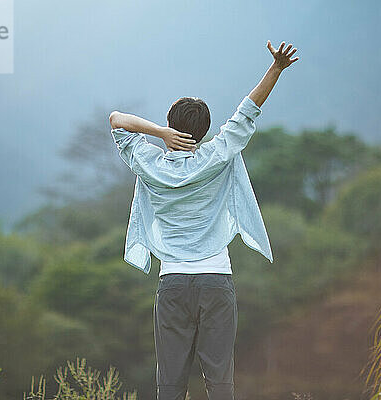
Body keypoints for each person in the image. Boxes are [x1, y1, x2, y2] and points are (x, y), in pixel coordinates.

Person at [109, 40, 298, 400]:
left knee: (170, 383)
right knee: (220, 381)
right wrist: (276, 68)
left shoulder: (148, 163)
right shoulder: (218, 154)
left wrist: (159, 135)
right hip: (216, 281)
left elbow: (116, 120)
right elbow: (248, 110)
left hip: (172, 283)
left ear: (170, 125)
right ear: (207, 130)